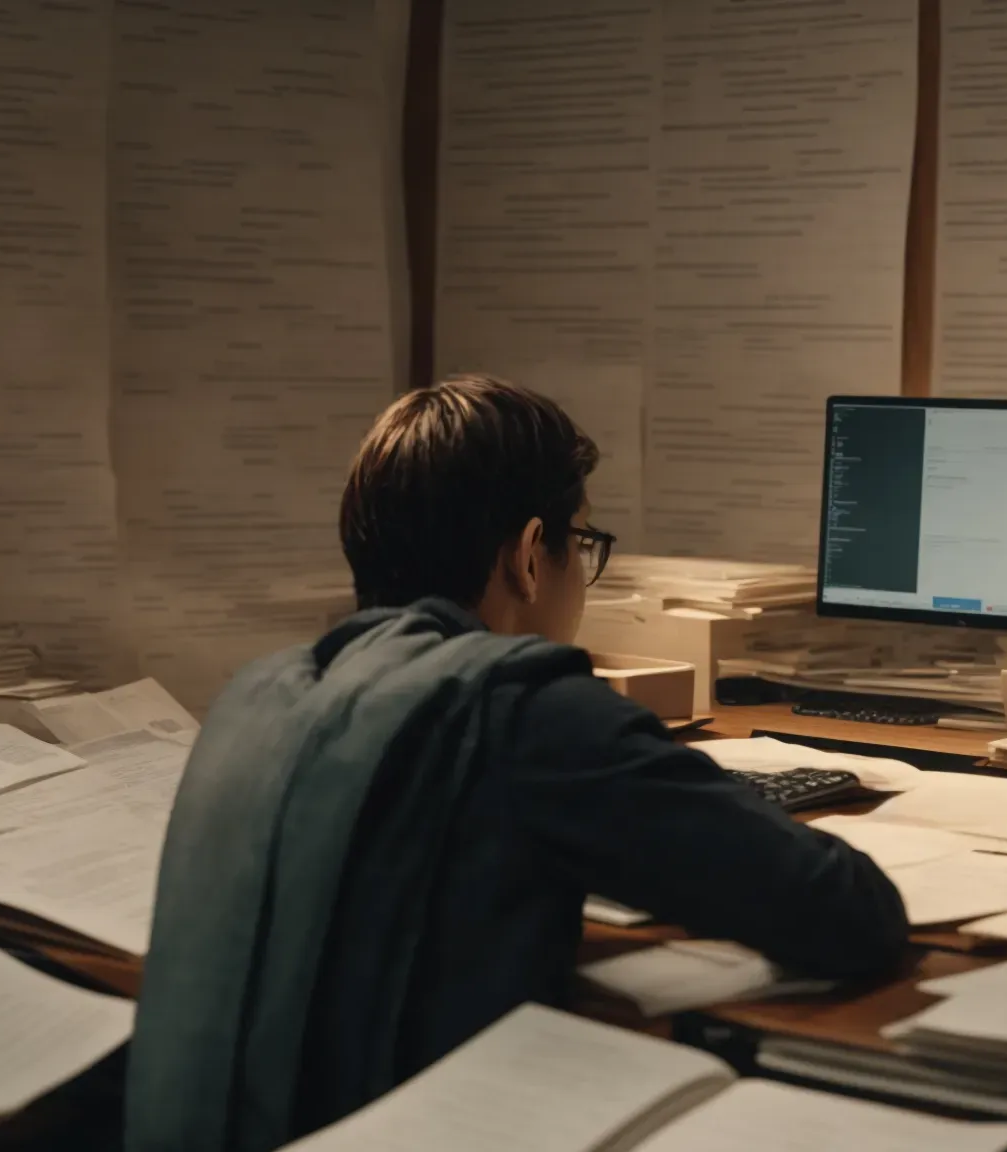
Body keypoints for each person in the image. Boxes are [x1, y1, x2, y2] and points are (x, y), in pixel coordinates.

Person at [127, 374, 909, 1152]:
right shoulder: (525, 710)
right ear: (531, 555)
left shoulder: (262, 692)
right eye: (585, 546)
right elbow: (848, 916)